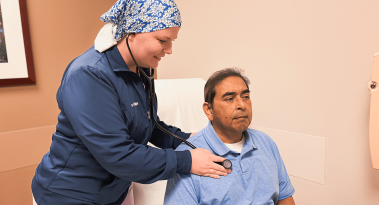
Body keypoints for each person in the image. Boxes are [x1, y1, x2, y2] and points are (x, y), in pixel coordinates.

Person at [31, 0, 230, 204]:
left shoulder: (140, 69)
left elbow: (149, 124)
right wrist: (187, 161)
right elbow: (117, 154)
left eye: (172, 41)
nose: (169, 50)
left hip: (112, 192)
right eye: (163, 40)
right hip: (69, 195)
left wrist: (191, 139)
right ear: (131, 33)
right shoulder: (88, 75)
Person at [164, 68, 295, 205]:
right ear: (209, 110)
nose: (241, 105)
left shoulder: (266, 143)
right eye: (230, 99)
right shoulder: (188, 157)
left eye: (245, 97)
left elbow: (285, 198)